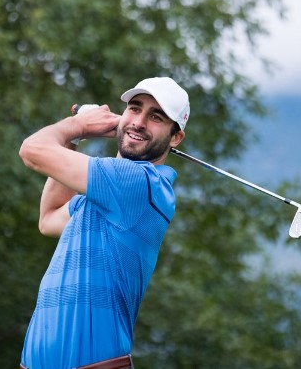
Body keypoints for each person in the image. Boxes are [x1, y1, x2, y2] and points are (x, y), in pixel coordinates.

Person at [18, 77, 190, 369]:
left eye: (156, 117)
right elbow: (49, 219)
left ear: (175, 138)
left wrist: (78, 125)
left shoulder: (137, 183)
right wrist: (74, 139)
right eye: (134, 109)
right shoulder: (105, 195)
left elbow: (31, 150)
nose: (139, 122)